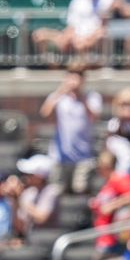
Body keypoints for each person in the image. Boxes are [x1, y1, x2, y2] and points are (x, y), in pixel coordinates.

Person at [40, 63, 102, 194]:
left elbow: (94, 116)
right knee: (57, 190)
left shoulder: (92, 97)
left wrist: (81, 96)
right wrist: (61, 91)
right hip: (60, 156)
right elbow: (45, 113)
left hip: (83, 156)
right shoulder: (58, 97)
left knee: (80, 189)